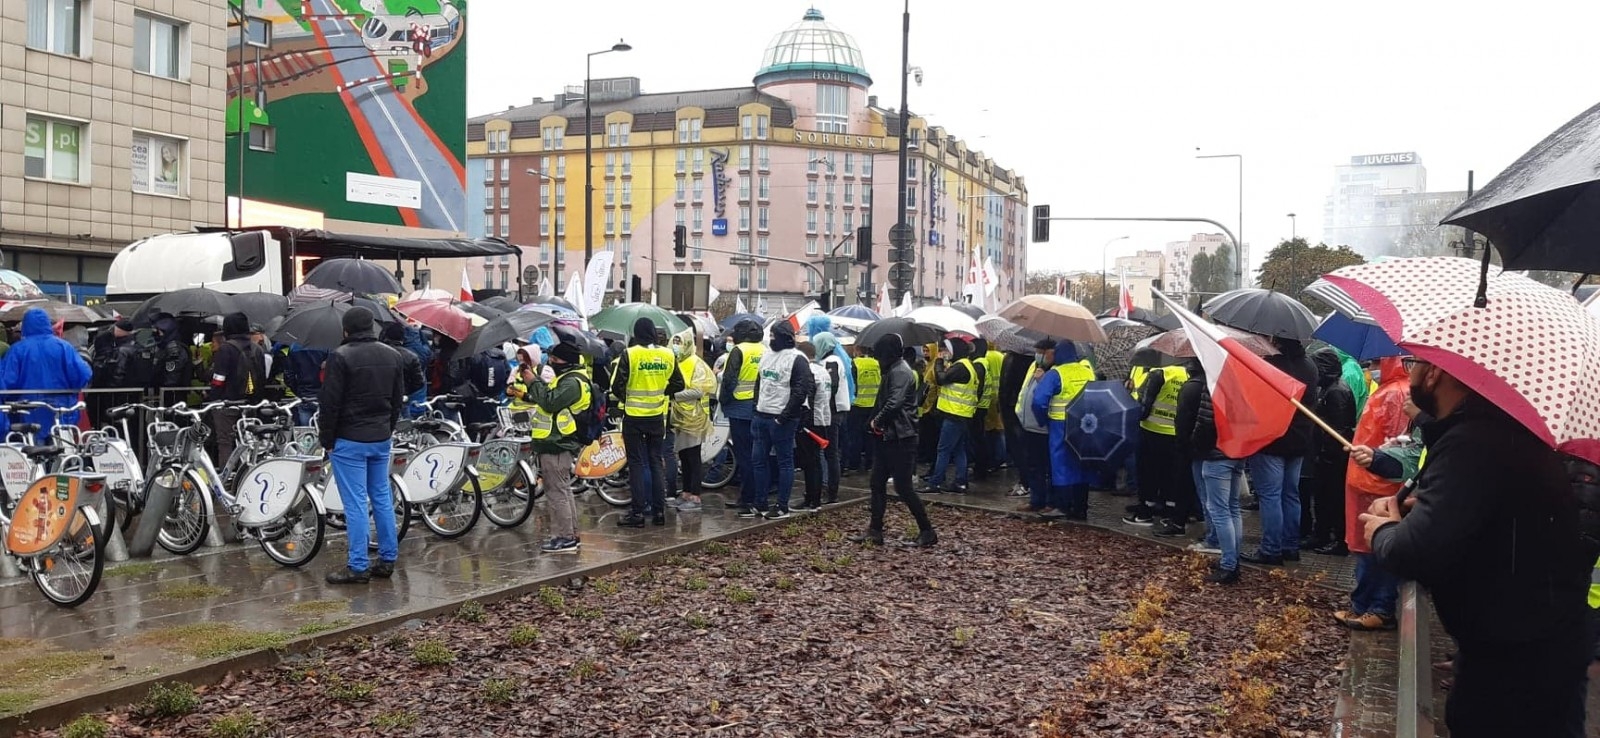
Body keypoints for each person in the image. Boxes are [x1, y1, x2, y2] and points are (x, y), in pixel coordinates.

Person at [1362, 357, 1589, 738]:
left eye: (1414, 362)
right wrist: (1430, 508)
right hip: (1533, 642)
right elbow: (1486, 513)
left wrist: (1383, 531)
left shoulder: (1472, 441)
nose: (1410, 370)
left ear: (1434, 374)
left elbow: (1415, 552)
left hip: (1516, 658)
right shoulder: (1491, 432)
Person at [318, 307, 407, 585]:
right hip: (380, 438)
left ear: (345, 330)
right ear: (372, 327)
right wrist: (387, 429)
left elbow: (330, 404)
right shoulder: (392, 355)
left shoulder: (340, 357)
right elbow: (396, 399)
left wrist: (327, 440)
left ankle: (358, 566)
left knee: (355, 503)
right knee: (381, 498)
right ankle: (388, 558)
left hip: (349, 439)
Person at [1337, 355, 1412, 629]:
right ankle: (1364, 604)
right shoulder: (1393, 390)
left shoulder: (1396, 393)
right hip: (1370, 481)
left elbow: (1398, 449)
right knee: (1367, 549)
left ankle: (1377, 607)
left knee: (1374, 550)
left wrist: (1373, 461)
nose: (1372, 369)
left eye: (1377, 362)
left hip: (1377, 486)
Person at [850, 332, 936, 546]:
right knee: (877, 483)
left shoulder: (899, 372)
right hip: (890, 436)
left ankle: (927, 530)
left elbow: (894, 403)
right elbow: (885, 401)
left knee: (903, 487)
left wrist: (876, 421)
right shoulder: (894, 369)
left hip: (901, 438)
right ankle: (875, 530)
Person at [1173, 359, 1245, 584]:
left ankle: (1229, 565)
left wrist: (1195, 445)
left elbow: (1205, 422)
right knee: (1233, 507)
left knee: (1219, 509)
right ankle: (1232, 558)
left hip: (1215, 456)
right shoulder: (1242, 384)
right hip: (1237, 452)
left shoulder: (1215, 384)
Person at [611, 317, 684, 527]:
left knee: (636, 464)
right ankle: (659, 512)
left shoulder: (630, 354)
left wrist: (629, 398)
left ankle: (638, 513)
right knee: (655, 462)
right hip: (656, 416)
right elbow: (678, 383)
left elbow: (617, 386)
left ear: (636, 333)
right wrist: (660, 392)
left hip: (633, 416)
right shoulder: (667, 354)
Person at [523, 337, 592, 553]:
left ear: (567, 361)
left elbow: (551, 402)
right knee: (562, 490)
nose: (551, 361)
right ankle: (571, 534)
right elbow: (551, 397)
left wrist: (533, 383)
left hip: (558, 442)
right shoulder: (568, 378)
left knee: (557, 492)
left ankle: (565, 538)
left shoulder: (572, 382)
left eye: (555, 358)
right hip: (555, 441)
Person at [743, 321, 812, 520]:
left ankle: (782, 505)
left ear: (786, 337)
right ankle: (760, 502)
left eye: (774, 336)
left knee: (784, 462)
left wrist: (783, 418)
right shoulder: (766, 355)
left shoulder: (797, 359)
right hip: (761, 415)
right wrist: (756, 407)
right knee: (758, 461)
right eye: (770, 335)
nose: (771, 339)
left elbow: (800, 391)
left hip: (781, 420)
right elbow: (760, 382)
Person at [0, 307, 91, 443]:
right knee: (65, 450)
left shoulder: (18, 350)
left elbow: (6, 382)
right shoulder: (64, 347)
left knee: (33, 454)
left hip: (28, 410)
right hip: (61, 409)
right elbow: (83, 375)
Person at [1030, 340, 1096, 520]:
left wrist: (1042, 420)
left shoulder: (1055, 374)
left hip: (1060, 425)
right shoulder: (1087, 371)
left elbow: (1038, 401)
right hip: (1084, 425)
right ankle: (1080, 508)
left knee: (1060, 465)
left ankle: (1062, 505)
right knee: (1081, 464)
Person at [1304, 348, 1357, 554]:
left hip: (1333, 458)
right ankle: (1321, 534)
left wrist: (1325, 454)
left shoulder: (1336, 391)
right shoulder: (1329, 389)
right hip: (1326, 455)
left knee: (1334, 499)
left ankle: (1339, 541)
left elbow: (1338, 429)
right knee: (1323, 498)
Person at [1125, 361, 1189, 527]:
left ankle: (1145, 513)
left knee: (1148, 474)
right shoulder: (1187, 374)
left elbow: (1144, 406)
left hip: (1151, 432)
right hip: (1175, 433)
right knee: (1170, 477)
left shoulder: (1159, 374)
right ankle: (1169, 514)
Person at [920, 337, 981, 495]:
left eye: (947, 350)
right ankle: (960, 482)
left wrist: (938, 363)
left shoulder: (961, 366)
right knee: (958, 449)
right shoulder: (966, 365)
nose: (944, 353)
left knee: (943, 449)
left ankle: (936, 482)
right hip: (961, 414)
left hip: (954, 414)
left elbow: (941, 379)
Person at [207, 312, 268, 467]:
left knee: (225, 441)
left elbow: (219, 379)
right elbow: (262, 378)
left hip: (227, 403)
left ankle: (227, 477)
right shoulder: (257, 349)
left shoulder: (226, 349)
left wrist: (212, 398)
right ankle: (248, 472)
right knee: (249, 440)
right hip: (250, 403)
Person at [718, 319, 765, 508]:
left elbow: (729, 380)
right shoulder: (765, 350)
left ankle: (746, 499)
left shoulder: (738, 351)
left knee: (744, 455)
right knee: (759, 456)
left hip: (739, 408)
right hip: (760, 407)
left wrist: (723, 400)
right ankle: (759, 497)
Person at [668, 325, 715, 512]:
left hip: (694, 417)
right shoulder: (678, 361)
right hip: (680, 417)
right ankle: (686, 492)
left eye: (679, 343)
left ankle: (695, 496)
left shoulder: (696, 363)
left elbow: (698, 390)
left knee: (693, 457)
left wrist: (674, 395)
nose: (676, 347)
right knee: (685, 456)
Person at [1014, 339, 1055, 514]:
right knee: (1033, 465)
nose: (1038, 355)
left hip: (1044, 427)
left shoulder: (1054, 372)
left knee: (1048, 467)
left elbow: (1048, 397)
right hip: (1028, 425)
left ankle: (1050, 502)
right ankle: (1036, 500)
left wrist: (1042, 380)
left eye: (1042, 352)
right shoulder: (1034, 366)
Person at [813, 331, 850, 506]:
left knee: (830, 452)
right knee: (829, 452)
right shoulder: (828, 361)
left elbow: (831, 385)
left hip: (832, 412)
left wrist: (822, 402)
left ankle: (831, 490)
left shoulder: (832, 362)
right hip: (831, 411)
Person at [795, 342, 833, 513]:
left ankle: (812, 499)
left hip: (810, 421)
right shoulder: (823, 370)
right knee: (815, 461)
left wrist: (802, 422)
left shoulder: (807, 371)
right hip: (823, 418)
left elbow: (807, 398)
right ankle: (814, 498)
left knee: (810, 463)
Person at [845, 342, 881, 475]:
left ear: (857, 349)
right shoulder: (877, 363)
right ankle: (869, 464)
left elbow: (851, 384)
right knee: (870, 435)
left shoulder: (854, 363)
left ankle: (854, 464)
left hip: (857, 404)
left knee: (855, 436)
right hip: (873, 405)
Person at [380, 322, 426, 415]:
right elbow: (419, 382)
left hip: (381, 399)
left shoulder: (378, 353)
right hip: (402, 399)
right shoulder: (411, 357)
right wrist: (405, 390)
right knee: (404, 426)